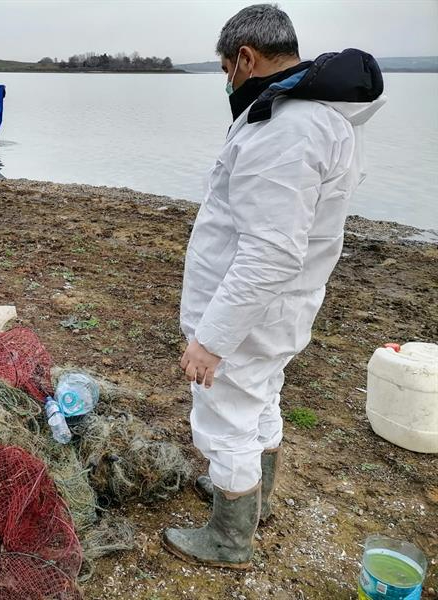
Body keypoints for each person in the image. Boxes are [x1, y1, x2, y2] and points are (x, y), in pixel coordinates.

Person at [162, 4, 385, 569]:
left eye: (226, 71)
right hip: (283, 308)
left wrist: (211, 339)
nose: (228, 83)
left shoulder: (283, 130)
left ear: (245, 58)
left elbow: (268, 252)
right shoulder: (321, 119)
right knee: (261, 398)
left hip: (249, 313)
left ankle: (229, 540)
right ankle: (251, 500)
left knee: (225, 415)